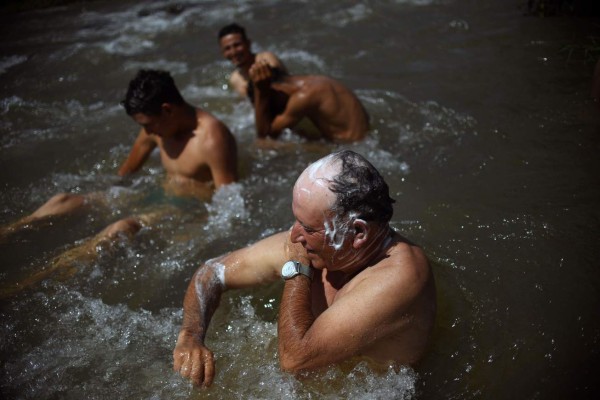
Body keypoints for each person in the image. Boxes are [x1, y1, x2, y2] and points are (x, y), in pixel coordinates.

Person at [173, 150, 436, 387]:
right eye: (297, 221)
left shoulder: (398, 276)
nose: (294, 235)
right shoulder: (324, 244)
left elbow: (295, 360)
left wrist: (296, 269)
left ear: (357, 232)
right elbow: (212, 272)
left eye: (308, 228)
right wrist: (191, 336)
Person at [0, 70, 238, 294]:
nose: (146, 131)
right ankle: (8, 232)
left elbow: (228, 201)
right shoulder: (158, 127)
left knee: (120, 228)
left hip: (187, 210)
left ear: (167, 110)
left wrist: (198, 235)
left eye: (147, 124)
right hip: (158, 193)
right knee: (63, 200)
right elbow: (125, 174)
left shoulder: (212, 139)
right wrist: (108, 198)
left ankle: (29, 284)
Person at [249, 62, 370, 143]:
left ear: (276, 89)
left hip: (350, 147)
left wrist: (262, 92)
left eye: (272, 104)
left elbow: (266, 136)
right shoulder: (314, 81)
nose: (274, 110)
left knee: (265, 146)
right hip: (364, 141)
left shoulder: (304, 96)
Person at [218, 23, 288, 100]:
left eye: (237, 45)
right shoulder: (235, 79)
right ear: (223, 53)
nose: (233, 52)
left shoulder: (266, 59)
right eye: (227, 48)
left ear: (248, 43)